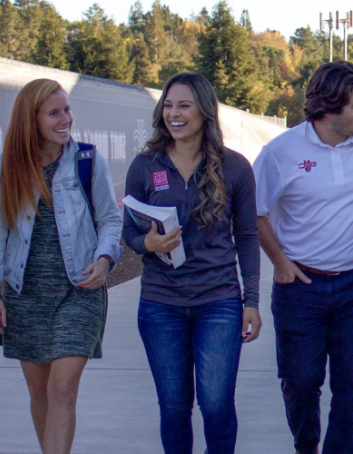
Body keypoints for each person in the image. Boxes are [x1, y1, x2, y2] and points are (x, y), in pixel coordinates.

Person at [252, 60, 353, 454]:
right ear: (327, 109)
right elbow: (254, 212)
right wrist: (281, 263)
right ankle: (306, 446)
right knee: (300, 384)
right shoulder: (280, 152)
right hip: (300, 287)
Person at [122, 73, 261, 454]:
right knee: (173, 408)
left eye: (183, 105)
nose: (173, 113)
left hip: (219, 302)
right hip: (160, 304)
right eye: (168, 105)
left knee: (216, 405)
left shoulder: (235, 167)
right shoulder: (145, 166)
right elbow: (128, 233)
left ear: (204, 111)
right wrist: (146, 242)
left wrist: (252, 301)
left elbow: (247, 237)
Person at [0, 78, 122, 454]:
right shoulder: (9, 167)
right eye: (54, 113)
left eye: (66, 110)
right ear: (30, 120)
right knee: (40, 394)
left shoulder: (88, 159)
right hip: (25, 295)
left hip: (79, 290)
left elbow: (111, 219)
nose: (65, 119)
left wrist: (104, 258)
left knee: (62, 389)